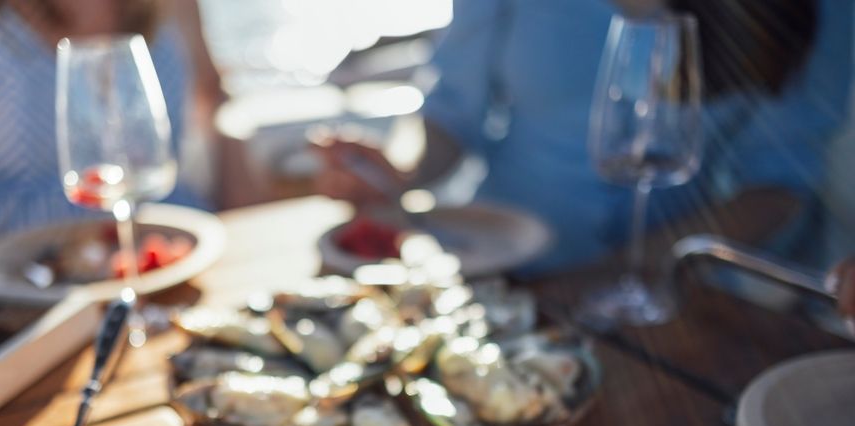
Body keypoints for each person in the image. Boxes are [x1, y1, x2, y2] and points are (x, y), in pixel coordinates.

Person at [314, 0, 853, 278]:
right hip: (496, 265)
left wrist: (632, 269)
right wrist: (395, 168)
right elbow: (450, 112)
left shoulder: (813, 11)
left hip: (665, 294)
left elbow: (780, 184)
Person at [0, 0, 224, 256]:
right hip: (26, 293)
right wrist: (18, 276)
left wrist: (250, 228)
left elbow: (212, 98)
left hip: (178, 258)